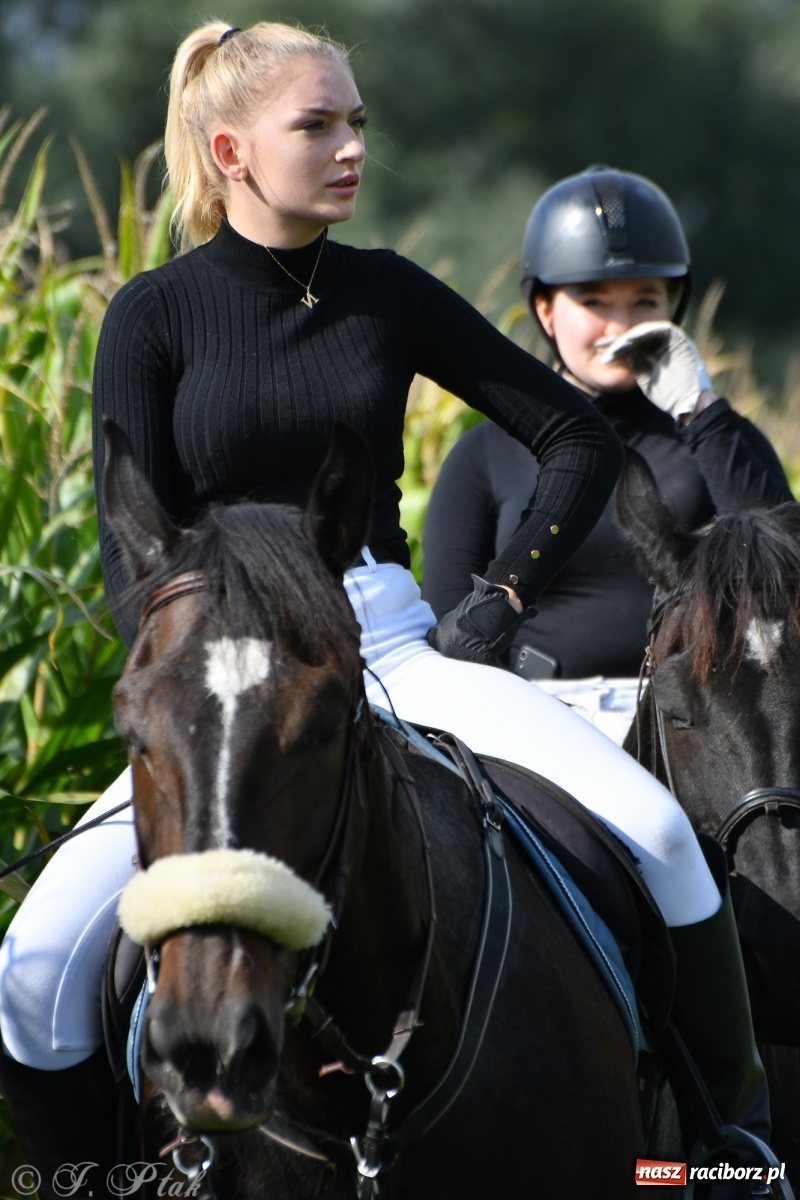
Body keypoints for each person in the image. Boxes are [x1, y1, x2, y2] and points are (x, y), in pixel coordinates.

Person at [0, 27, 772, 1199]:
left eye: (356, 121)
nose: (352, 145)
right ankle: (91, 1178)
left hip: (388, 642)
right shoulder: (150, 316)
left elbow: (566, 439)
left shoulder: (390, 292)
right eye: (318, 125)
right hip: (212, 673)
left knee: (663, 843)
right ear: (231, 150)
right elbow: (128, 540)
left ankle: (728, 1146)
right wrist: (185, 664)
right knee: (38, 959)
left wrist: (498, 600)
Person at [422, 166, 793, 742]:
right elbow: (448, 622)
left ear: (674, 306)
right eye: (593, 300)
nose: (621, 326)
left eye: (645, 300)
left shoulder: (721, 437)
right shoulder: (486, 452)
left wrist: (702, 412)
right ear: (545, 310)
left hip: (695, 727)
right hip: (531, 722)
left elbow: (781, 581)